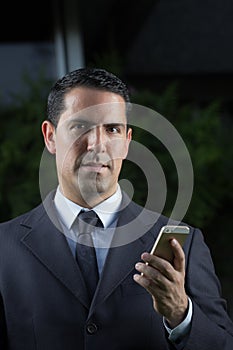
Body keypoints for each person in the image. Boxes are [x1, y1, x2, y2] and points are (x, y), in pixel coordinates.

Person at [0, 67, 232, 350]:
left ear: (127, 141)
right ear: (50, 137)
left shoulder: (184, 244)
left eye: (112, 129)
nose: (97, 144)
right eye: (80, 127)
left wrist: (180, 315)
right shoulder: (4, 247)